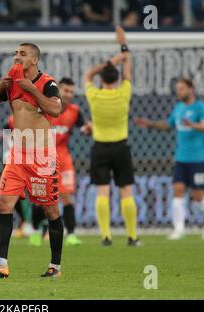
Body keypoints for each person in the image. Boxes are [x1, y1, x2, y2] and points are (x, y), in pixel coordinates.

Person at [0, 42, 64, 278]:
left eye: (22, 54)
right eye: (15, 53)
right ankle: (0, 263)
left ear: (34, 60)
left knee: (50, 211)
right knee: (3, 204)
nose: (17, 57)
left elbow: (55, 111)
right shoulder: (12, 82)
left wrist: (33, 91)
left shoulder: (47, 83)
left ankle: (55, 267)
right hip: (17, 156)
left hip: (42, 156)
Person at [134, 78, 204, 240]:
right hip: (181, 158)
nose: (178, 91)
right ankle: (179, 229)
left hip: (198, 158)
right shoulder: (178, 108)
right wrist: (150, 124)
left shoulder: (200, 107)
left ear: (190, 89)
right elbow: (169, 124)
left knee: (198, 195)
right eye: (177, 89)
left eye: (182, 88)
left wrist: (193, 125)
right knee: (177, 191)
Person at [84, 26, 141, 247]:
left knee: (102, 191)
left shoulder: (94, 95)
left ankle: (106, 236)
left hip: (100, 148)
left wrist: (110, 61)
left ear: (102, 79)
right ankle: (132, 236)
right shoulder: (123, 93)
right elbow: (128, 69)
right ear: (117, 80)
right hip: (120, 147)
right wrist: (123, 49)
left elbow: (88, 74)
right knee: (126, 190)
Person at [29, 77, 91, 247]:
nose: (69, 94)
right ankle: (35, 231)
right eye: (66, 91)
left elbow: (84, 128)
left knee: (66, 197)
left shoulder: (75, 111)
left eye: (71, 91)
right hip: (43, 158)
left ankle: (71, 234)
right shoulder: (45, 108)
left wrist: (88, 129)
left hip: (63, 159)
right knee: (40, 197)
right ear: (58, 91)